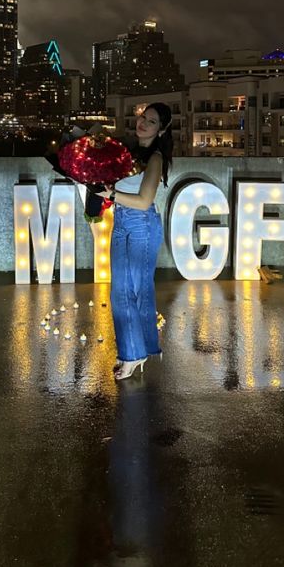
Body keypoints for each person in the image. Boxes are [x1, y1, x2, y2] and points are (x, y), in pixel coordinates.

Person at [99, 103, 173, 381]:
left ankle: (133, 354)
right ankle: (135, 350)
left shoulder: (155, 158)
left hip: (141, 226)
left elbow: (144, 201)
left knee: (129, 292)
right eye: (143, 117)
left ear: (161, 129)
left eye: (151, 121)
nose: (143, 123)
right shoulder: (128, 151)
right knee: (123, 291)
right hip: (122, 223)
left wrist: (111, 195)